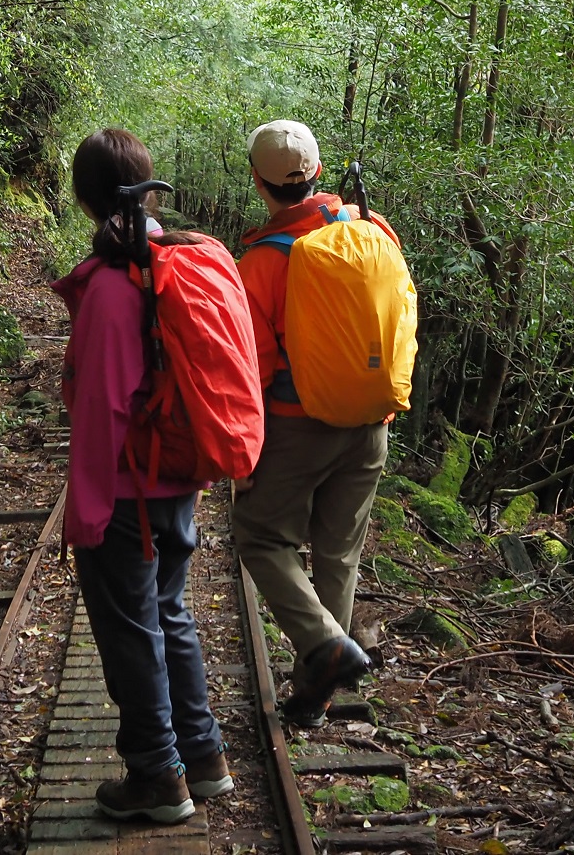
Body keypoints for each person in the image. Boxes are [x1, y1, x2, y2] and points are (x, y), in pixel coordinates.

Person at [51, 127, 232, 823]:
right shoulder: (176, 257)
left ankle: (158, 774)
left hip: (127, 488)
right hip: (176, 479)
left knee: (131, 628)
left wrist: (87, 512)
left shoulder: (111, 285)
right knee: (168, 614)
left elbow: (99, 409)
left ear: (83, 197)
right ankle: (205, 755)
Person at [232, 119, 398, 727]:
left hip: (297, 422)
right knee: (338, 554)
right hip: (371, 419)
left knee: (259, 536)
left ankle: (325, 647)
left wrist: (243, 458)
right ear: (320, 173)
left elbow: (253, 366)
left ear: (257, 181)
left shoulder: (261, 264)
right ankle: (314, 692)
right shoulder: (374, 230)